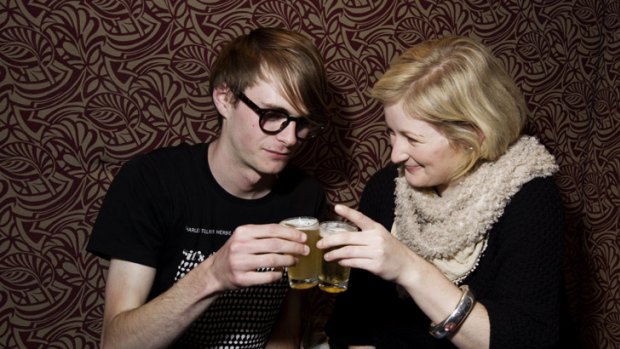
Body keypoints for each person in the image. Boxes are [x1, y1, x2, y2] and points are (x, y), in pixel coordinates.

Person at [87, 27, 329, 349]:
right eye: (273, 115)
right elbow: (116, 343)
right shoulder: (151, 182)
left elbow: (287, 327)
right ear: (225, 99)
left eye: (302, 122)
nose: (289, 138)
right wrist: (213, 275)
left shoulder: (305, 197)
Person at [320, 36, 565, 348]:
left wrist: (408, 268)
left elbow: (526, 340)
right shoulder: (387, 187)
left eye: (412, 138)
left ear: (473, 134)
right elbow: (351, 324)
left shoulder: (530, 199)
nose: (395, 154)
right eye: (391, 133)